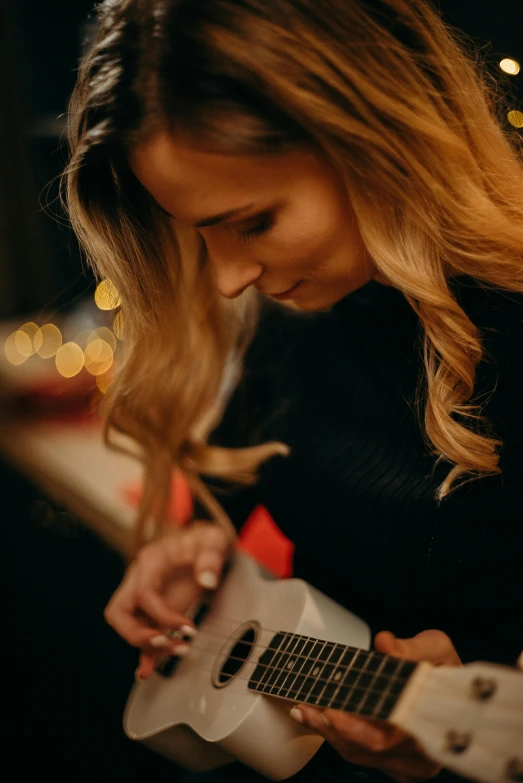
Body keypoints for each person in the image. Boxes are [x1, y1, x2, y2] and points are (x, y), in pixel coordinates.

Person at [62, 1, 523, 781]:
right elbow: (263, 452)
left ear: (378, 140)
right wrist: (203, 540)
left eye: (255, 221)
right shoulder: (311, 298)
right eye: (196, 231)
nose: (228, 276)